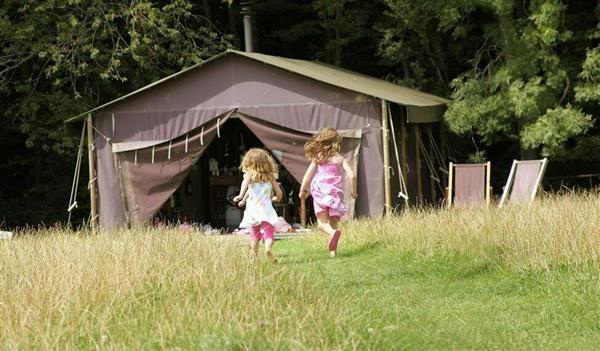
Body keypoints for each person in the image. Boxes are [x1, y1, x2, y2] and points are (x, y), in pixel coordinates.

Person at [299, 127, 357, 257]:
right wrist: (354, 192)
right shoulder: (340, 159)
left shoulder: (319, 157)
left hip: (320, 193)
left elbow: (308, 174)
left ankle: (332, 234)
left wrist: (302, 189)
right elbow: (352, 175)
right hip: (334, 194)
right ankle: (333, 254)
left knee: (322, 224)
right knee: (333, 222)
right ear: (336, 142)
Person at [234, 148, 283, 263]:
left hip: (253, 211)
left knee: (255, 235)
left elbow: (246, 187)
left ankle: (253, 258)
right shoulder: (270, 177)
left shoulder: (249, 176)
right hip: (266, 210)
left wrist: (241, 197)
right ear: (267, 162)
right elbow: (279, 192)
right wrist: (276, 198)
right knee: (268, 232)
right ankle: (268, 249)